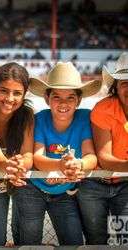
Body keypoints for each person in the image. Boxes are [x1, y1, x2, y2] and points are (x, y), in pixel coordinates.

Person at [13, 62, 100, 245]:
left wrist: (78, 165)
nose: (63, 103)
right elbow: (37, 157)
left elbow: (90, 155)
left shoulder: (84, 118)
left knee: (73, 241)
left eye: (70, 97)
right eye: (56, 97)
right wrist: (61, 166)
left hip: (63, 193)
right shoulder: (40, 119)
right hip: (33, 189)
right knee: (30, 240)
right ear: (47, 98)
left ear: (78, 100)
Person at [0, 62, 34, 246]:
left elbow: (28, 156)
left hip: (22, 181)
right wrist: (12, 165)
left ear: (24, 94)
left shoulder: (27, 116)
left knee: (25, 238)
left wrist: (20, 165)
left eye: (17, 93)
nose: (10, 98)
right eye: (4, 90)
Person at [77, 52, 128, 245]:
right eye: (125, 83)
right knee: (97, 241)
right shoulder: (104, 109)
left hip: (124, 184)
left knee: (125, 240)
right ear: (115, 87)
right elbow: (105, 159)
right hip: (94, 184)